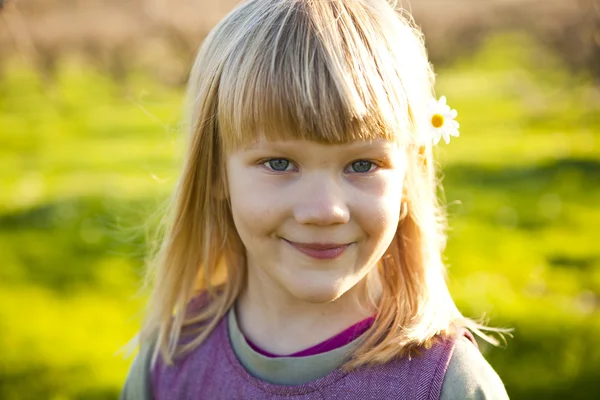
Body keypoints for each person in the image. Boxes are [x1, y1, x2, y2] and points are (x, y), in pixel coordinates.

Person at [120, 0, 510, 398]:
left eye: (361, 165)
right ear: (216, 172)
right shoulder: (169, 366)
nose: (325, 211)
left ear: (409, 176)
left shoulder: (447, 384)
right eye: (279, 162)